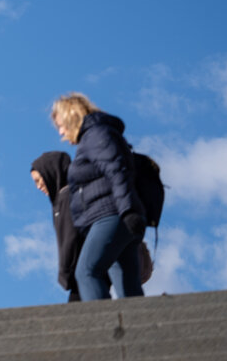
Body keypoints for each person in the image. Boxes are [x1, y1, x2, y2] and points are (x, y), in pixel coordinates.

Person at [51, 92, 146, 301]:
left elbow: (117, 170)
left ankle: (104, 329)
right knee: (127, 285)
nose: (60, 132)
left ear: (71, 116)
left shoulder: (95, 135)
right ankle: (140, 329)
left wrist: (128, 210)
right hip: (118, 215)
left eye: (61, 125)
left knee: (86, 272)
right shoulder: (95, 137)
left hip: (111, 215)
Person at [31, 151, 84, 302]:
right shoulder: (61, 200)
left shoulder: (67, 197)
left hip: (79, 270)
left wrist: (65, 273)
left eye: (39, 180)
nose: (38, 186)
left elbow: (70, 236)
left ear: (51, 172)